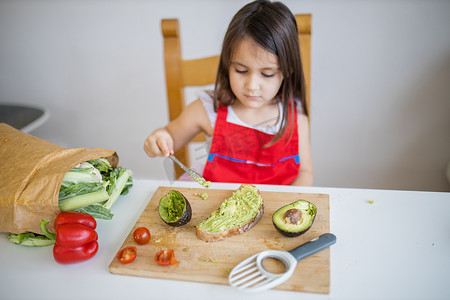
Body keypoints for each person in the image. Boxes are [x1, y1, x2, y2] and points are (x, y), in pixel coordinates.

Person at [144, 0, 313, 186]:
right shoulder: (208, 109)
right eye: (241, 70)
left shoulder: (295, 117)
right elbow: (170, 136)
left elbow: (304, 173)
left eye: (267, 74)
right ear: (227, 64)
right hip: (217, 209)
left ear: (287, 71)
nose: (252, 85)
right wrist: (160, 139)